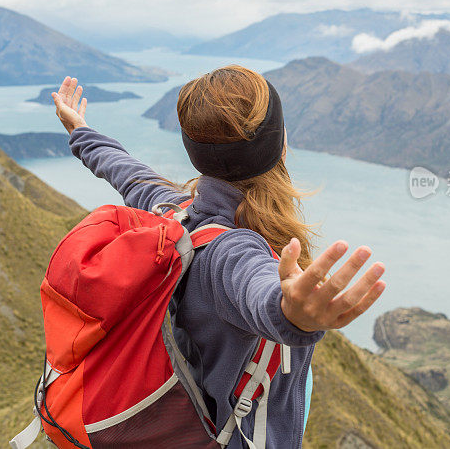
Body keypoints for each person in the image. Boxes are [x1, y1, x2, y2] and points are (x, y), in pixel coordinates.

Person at [51, 66, 386, 448]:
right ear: (282, 143)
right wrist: (292, 314)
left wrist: (80, 131)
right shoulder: (231, 251)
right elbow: (257, 291)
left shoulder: (174, 211)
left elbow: (126, 172)